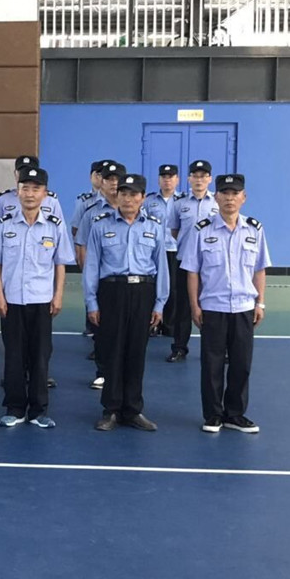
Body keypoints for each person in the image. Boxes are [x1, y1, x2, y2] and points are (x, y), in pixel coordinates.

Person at [181, 174, 270, 434]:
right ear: (216, 197)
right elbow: (192, 271)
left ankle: (235, 414)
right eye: (225, 193)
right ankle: (213, 415)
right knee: (212, 365)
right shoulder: (202, 230)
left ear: (244, 197)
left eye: (235, 193)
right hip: (213, 307)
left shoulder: (254, 229)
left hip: (244, 307)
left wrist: (260, 303)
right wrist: (194, 306)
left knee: (241, 364)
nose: (230, 198)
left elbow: (260, 269)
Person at [0, 167, 74, 428]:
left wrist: (58, 296)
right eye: (25, 188)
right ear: (18, 192)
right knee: (13, 355)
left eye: (36, 189)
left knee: (40, 356)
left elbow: (60, 263)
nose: (30, 194)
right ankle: (15, 408)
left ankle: (38, 410)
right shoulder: (5, 224)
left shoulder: (55, 226)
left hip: (42, 301)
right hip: (11, 300)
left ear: (45, 194)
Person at [84, 174, 168, 432]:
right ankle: (110, 409)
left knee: (136, 352)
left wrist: (160, 304)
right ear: (116, 196)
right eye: (123, 193)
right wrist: (91, 302)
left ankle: (132, 410)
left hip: (143, 292)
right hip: (112, 292)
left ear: (142, 198)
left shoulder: (154, 226)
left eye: (133, 194)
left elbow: (162, 266)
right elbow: (91, 266)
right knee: (112, 351)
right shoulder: (100, 225)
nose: (128, 199)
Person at [73, 161, 126, 389]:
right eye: (108, 179)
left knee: (128, 332)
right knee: (103, 330)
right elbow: (82, 245)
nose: (113, 183)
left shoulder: (136, 211)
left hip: (130, 282)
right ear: (100, 182)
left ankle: (125, 374)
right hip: (103, 280)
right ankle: (103, 372)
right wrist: (88, 275)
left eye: (117, 179)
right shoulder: (91, 213)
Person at [166, 160, 219, 362]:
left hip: (211, 263)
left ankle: (215, 349)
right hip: (185, 263)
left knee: (213, 307)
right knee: (183, 307)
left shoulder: (217, 203)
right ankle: (179, 347)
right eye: (195, 176)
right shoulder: (179, 203)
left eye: (203, 176)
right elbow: (175, 230)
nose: (199, 180)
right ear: (189, 179)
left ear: (209, 179)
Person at [144, 164, 181, 336]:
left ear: (177, 180)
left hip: (174, 250)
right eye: (164, 177)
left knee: (173, 288)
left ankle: (169, 326)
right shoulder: (148, 201)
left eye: (171, 177)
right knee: (153, 286)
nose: (167, 180)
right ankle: (153, 323)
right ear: (159, 179)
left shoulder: (182, 201)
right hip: (154, 250)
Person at [0, 156, 64, 224]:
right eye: (22, 171)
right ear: (15, 173)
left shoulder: (51, 200)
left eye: (29, 170)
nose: (26, 174)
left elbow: (59, 226)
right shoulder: (3, 199)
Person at [70, 160, 110, 238]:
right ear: (90, 177)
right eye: (98, 174)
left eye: (106, 175)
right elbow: (75, 230)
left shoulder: (120, 199)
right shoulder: (84, 201)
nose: (101, 178)